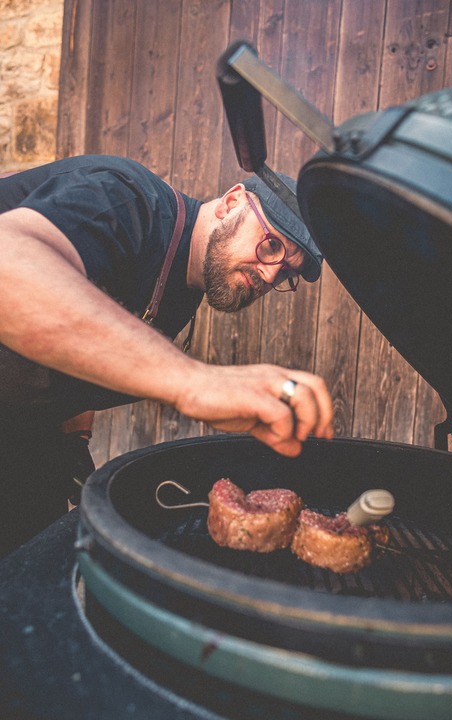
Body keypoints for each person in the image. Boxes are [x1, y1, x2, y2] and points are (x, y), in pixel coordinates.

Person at [0, 154, 333, 558]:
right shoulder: (125, 198)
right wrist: (193, 381)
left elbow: (86, 337)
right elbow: (9, 266)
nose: (269, 275)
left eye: (286, 274)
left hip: (25, 436)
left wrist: (74, 432)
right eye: (271, 245)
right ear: (231, 202)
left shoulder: (185, 289)